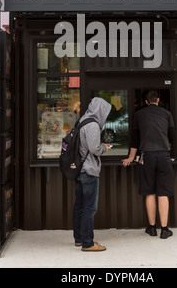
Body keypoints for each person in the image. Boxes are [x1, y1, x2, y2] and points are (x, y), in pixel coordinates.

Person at [122, 90, 175, 239]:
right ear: (158, 100)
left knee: (150, 192)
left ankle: (152, 228)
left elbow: (135, 140)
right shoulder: (167, 114)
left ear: (145, 102)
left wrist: (130, 158)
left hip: (147, 156)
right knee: (163, 193)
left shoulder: (139, 115)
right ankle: (164, 230)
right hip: (164, 155)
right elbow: (172, 136)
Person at [73, 97, 111, 251]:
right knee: (89, 208)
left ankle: (79, 239)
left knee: (80, 206)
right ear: (100, 110)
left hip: (79, 170)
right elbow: (95, 149)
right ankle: (88, 243)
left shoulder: (82, 120)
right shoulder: (93, 125)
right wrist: (105, 148)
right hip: (89, 171)